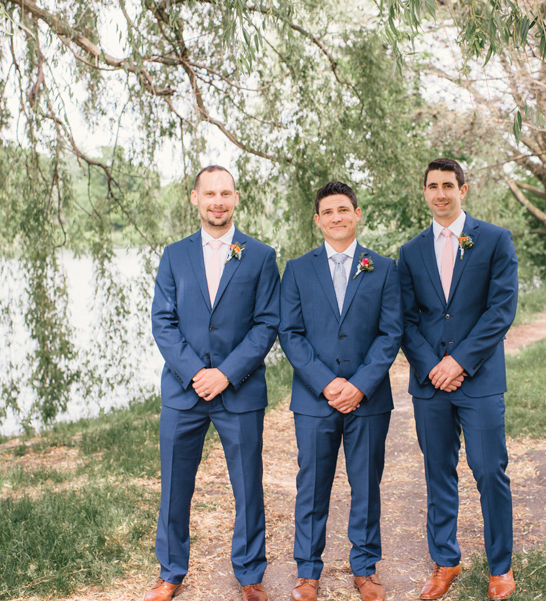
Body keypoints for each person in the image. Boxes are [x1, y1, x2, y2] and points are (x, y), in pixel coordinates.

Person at [146, 165, 281, 601]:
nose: (217, 201)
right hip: (183, 392)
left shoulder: (260, 256)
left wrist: (225, 373)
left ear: (236, 198)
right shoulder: (174, 255)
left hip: (239, 390)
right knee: (174, 487)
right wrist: (195, 373)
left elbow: (266, 325)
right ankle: (170, 572)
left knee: (247, 485)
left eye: (225, 193)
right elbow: (163, 323)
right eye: (210, 194)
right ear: (195, 199)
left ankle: (249, 574)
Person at [398, 158, 519, 600]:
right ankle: (445, 561)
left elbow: (500, 310)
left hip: (480, 379)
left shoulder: (494, 240)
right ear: (425, 192)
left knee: (490, 471)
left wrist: (461, 362)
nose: (440, 193)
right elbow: (406, 320)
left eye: (448, 185)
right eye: (433, 186)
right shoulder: (410, 252)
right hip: (430, 384)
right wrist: (433, 365)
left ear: (463, 190)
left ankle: (500, 567)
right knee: (438, 472)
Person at [279, 182, 403, 601]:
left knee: (366, 485)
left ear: (357, 213)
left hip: (368, 400)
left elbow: (391, 334)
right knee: (312, 485)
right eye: (328, 211)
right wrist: (327, 383)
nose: (336, 217)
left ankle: (365, 568)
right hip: (315, 399)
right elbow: (290, 333)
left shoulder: (382, 268)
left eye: (343, 209)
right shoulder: (296, 269)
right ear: (317, 220)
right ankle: (308, 571)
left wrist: (360, 385)